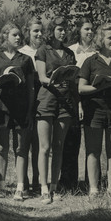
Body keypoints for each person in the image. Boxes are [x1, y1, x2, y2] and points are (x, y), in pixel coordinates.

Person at [0, 23, 35, 200]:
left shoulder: (26, 59)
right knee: (2, 147)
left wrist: (29, 110)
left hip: (20, 108)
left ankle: (20, 188)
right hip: (1, 107)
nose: (18, 38)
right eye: (14, 35)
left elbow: (30, 88)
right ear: (5, 37)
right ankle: (1, 187)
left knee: (21, 148)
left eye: (20, 35)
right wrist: (1, 81)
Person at [78, 23, 111, 196]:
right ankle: (93, 189)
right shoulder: (90, 62)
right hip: (94, 111)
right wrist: (98, 88)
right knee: (93, 151)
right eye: (109, 38)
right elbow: (81, 88)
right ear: (101, 40)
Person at [36, 16, 79, 204]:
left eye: (65, 29)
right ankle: (43, 187)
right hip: (47, 99)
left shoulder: (69, 53)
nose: (63, 32)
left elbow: (74, 79)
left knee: (58, 146)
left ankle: (54, 186)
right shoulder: (43, 50)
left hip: (66, 101)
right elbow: (42, 78)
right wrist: (55, 78)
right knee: (44, 147)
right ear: (51, 30)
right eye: (59, 29)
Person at [61, 17, 96, 191]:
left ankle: (91, 181)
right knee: (71, 142)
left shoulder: (97, 52)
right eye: (86, 29)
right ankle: (69, 182)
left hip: (93, 98)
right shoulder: (71, 50)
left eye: (92, 29)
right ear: (79, 31)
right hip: (74, 98)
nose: (90, 32)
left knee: (92, 145)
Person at [16, 18, 44, 195]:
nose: (39, 34)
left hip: (42, 100)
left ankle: (37, 181)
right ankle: (23, 182)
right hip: (25, 101)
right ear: (28, 33)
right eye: (35, 31)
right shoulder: (21, 52)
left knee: (39, 142)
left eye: (41, 31)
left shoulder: (45, 51)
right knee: (23, 143)